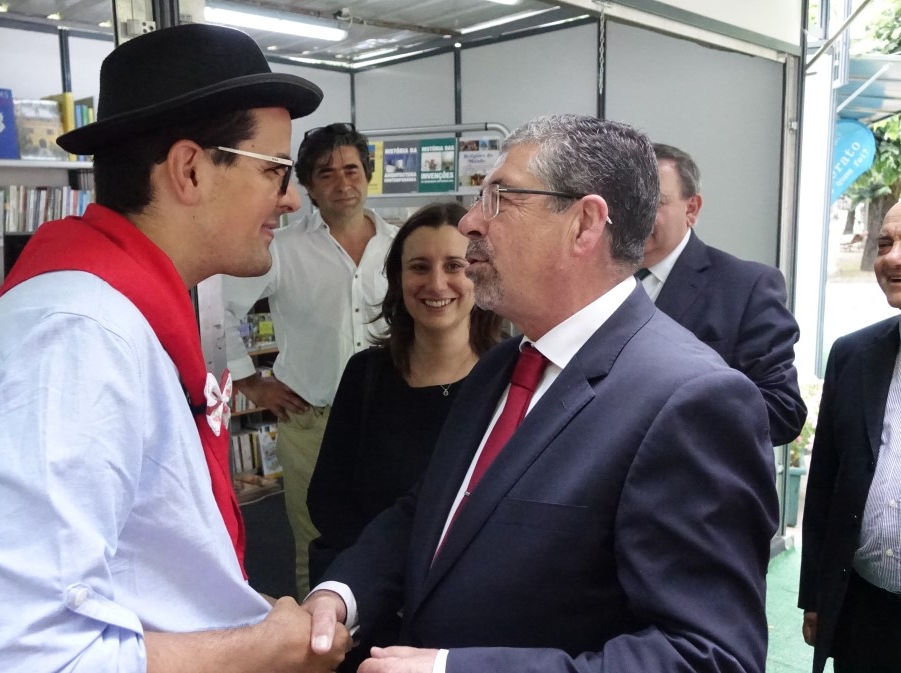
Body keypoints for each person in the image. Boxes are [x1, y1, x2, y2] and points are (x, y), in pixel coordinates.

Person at [0, 24, 350, 672]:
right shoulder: (78, 337)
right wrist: (264, 647)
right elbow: (11, 658)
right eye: (275, 170)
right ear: (190, 170)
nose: (291, 198)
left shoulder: (124, 313)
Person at [302, 113, 779, 673]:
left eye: (500, 198)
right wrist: (340, 595)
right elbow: (430, 512)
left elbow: (708, 656)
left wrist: (454, 670)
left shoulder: (690, 401)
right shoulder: (502, 366)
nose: (472, 221)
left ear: (584, 224)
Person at [306, 202, 502, 668]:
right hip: (369, 619)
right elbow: (329, 499)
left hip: (468, 629)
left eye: (454, 265)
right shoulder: (367, 374)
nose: (436, 283)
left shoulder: (508, 380)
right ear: (397, 279)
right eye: (419, 267)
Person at [222, 122, 398, 597]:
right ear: (308, 186)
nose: (342, 183)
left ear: (368, 174)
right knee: (315, 539)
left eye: (352, 170)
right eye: (326, 173)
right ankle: (313, 631)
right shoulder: (282, 248)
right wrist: (249, 382)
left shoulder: (399, 246)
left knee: (390, 531)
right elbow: (218, 312)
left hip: (391, 418)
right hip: (312, 423)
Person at [640, 143, 806, 446]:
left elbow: (782, 409)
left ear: (691, 209)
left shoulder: (746, 286)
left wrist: (670, 422)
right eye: (626, 202)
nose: (635, 215)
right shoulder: (593, 281)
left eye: (653, 202)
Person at [798, 200, 901, 673]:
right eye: (884, 243)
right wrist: (816, 596)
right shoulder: (853, 355)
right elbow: (825, 485)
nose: (892, 258)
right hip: (863, 611)